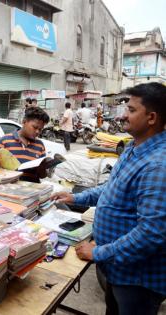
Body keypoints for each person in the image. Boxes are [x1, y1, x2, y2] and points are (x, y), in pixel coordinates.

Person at [51, 83, 166, 314]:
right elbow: (110, 189)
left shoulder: (158, 165)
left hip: (137, 279)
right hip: (117, 269)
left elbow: (151, 232)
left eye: (132, 110)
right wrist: (75, 198)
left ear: (152, 117)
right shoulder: (134, 148)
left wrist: (98, 252)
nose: (124, 115)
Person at [0, 107, 50, 183]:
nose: (37, 132)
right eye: (35, 127)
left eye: (40, 129)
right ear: (24, 121)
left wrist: (42, 168)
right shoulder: (5, 141)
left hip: (32, 189)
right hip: (9, 188)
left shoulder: (40, 145)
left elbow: (42, 175)